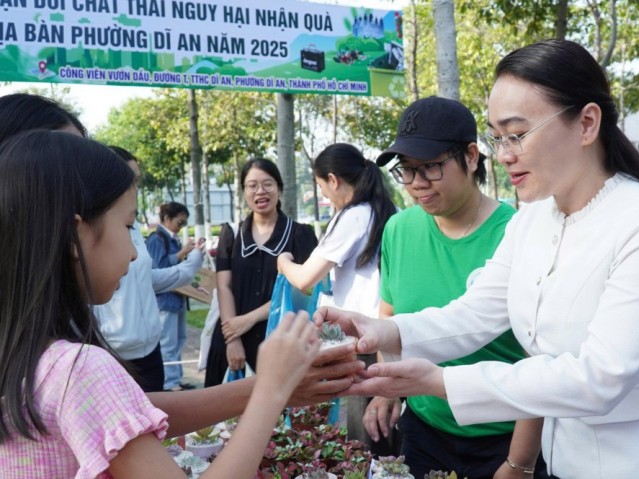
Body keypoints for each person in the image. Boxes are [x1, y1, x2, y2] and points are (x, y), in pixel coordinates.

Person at [316, 39, 639, 479]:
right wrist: (382, 330)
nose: (504, 154)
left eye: (517, 134)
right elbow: (477, 312)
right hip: (566, 466)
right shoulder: (533, 218)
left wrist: (439, 382)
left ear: (587, 123)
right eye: (497, 137)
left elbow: (600, 379)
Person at [0, 91, 366, 439]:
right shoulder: (75, 364)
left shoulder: (52, 343)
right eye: (126, 227)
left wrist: (271, 386)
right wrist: (269, 389)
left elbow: (129, 411)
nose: (132, 253)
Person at [362, 96, 546, 478]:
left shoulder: (520, 233)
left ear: (472, 156)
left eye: (429, 168)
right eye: (406, 171)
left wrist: (520, 462)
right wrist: (387, 385)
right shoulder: (399, 229)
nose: (416, 185)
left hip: (506, 437)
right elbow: (391, 315)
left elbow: (540, 360)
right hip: (425, 431)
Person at [276, 143, 396, 447]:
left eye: (321, 186)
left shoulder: (353, 216)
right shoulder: (386, 211)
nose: (324, 196)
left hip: (363, 340)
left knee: (365, 435)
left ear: (333, 179)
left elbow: (305, 279)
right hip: (389, 332)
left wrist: (283, 262)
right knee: (386, 429)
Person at [93, 148, 203, 392]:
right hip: (114, 352)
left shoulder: (135, 230)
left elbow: (147, 278)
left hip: (150, 350)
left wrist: (190, 266)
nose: (135, 187)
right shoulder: (92, 227)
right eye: (130, 179)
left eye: (137, 180)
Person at [206, 157, 319, 387]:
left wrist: (248, 319)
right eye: (252, 185)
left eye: (268, 184)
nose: (260, 191)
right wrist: (233, 337)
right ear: (243, 191)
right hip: (231, 342)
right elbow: (224, 286)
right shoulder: (232, 235)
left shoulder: (300, 235)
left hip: (281, 342)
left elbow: (303, 292)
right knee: (222, 418)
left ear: (279, 188)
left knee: (281, 418)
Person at [146, 201, 203, 391]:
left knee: (179, 340)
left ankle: (175, 379)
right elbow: (157, 269)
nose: (181, 227)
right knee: (168, 343)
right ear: (167, 219)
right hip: (164, 300)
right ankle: (169, 383)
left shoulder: (172, 239)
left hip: (177, 299)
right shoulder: (157, 239)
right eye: (180, 223)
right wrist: (182, 253)